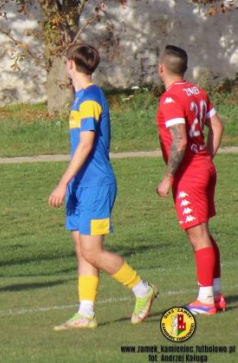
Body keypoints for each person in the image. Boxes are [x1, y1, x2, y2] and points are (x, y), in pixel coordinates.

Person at [48, 43, 157, 331]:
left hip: (95, 184)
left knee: (92, 250)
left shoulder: (90, 98)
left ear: (71, 63)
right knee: (81, 248)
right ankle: (86, 313)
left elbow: (86, 144)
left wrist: (62, 183)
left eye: (65, 61)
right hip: (81, 185)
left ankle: (142, 289)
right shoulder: (80, 96)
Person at [155, 45, 225, 315]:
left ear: (162, 68)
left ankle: (205, 300)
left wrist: (168, 176)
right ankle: (215, 294)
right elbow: (218, 126)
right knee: (204, 233)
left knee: (197, 235)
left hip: (189, 174)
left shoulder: (171, 99)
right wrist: (207, 156)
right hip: (204, 167)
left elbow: (180, 139)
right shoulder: (197, 91)